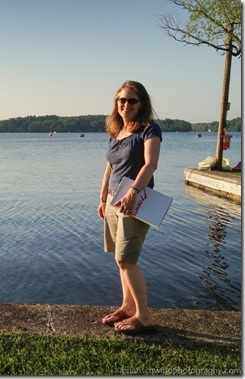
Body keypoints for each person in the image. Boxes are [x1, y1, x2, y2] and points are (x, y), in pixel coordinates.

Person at [97, 81, 162, 335]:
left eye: (132, 101)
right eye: (122, 100)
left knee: (127, 259)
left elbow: (150, 164)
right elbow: (109, 168)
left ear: (141, 104)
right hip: (114, 201)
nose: (126, 105)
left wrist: (134, 191)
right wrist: (102, 198)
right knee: (118, 259)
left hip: (135, 201)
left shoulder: (149, 130)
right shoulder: (116, 131)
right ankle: (127, 306)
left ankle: (144, 316)